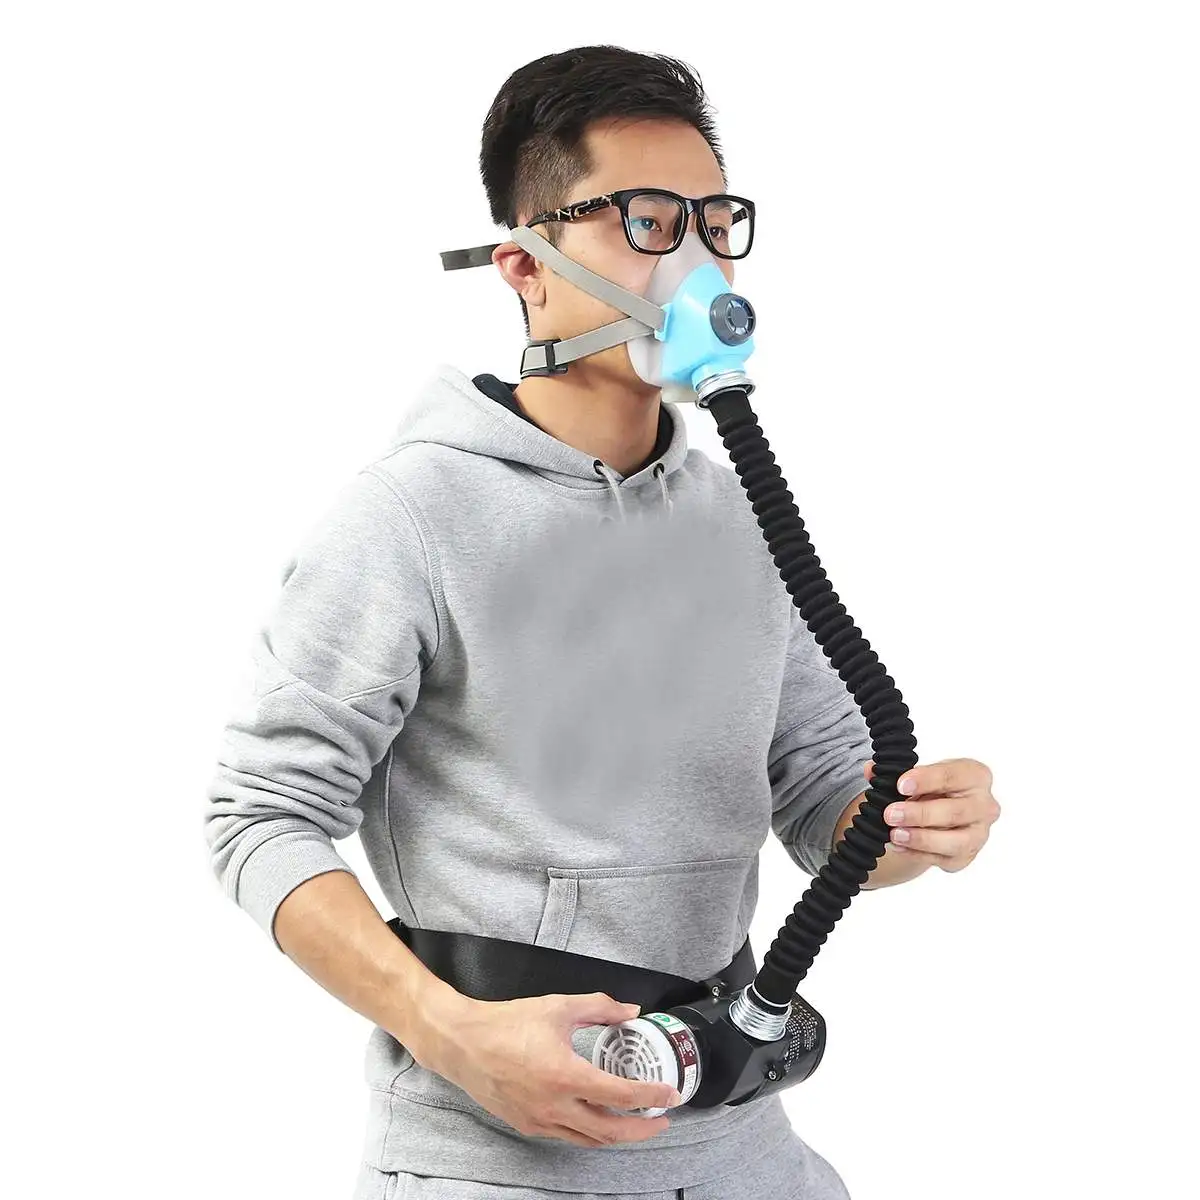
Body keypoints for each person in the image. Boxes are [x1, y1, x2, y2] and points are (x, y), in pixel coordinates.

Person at [206, 44, 897, 1200]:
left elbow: (824, 795)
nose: (691, 260)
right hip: (497, 1163)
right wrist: (448, 1031)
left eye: (712, 221)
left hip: (741, 1142)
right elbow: (259, 816)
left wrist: (906, 823)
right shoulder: (410, 516)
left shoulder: (739, 516)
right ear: (524, 266)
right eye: (645, 221)